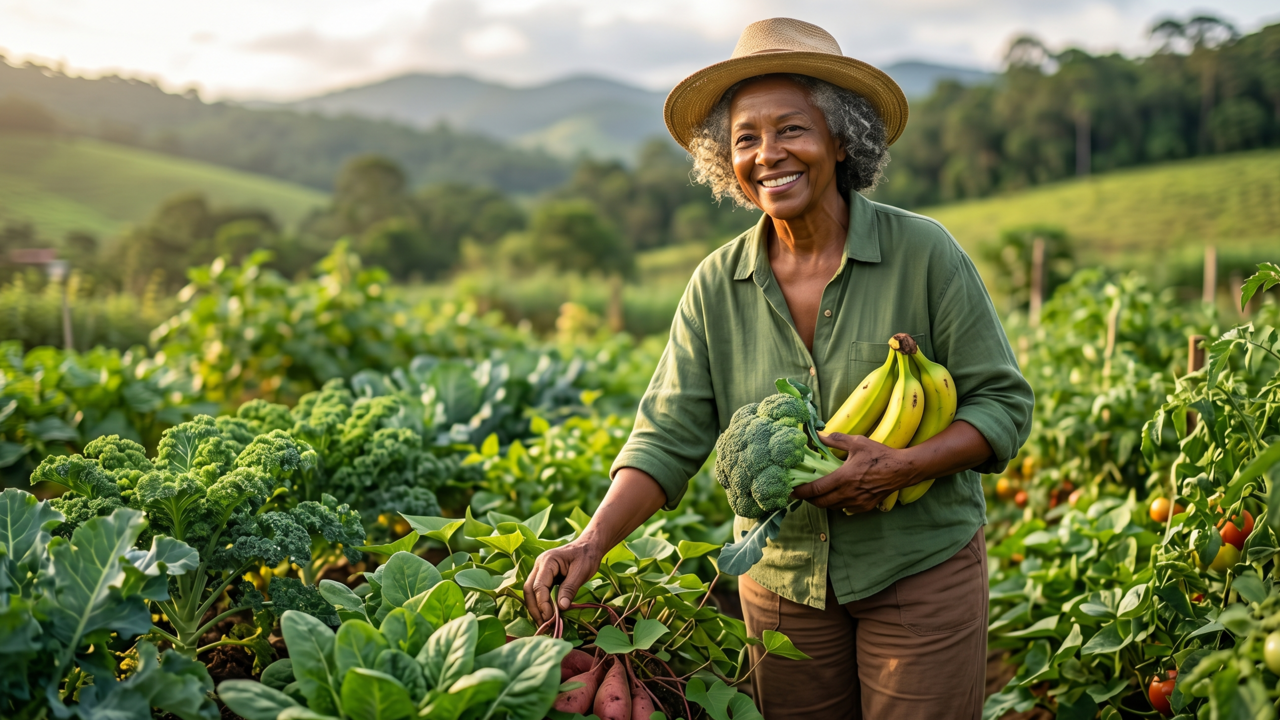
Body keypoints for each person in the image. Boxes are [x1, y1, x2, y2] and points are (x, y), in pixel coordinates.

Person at [523, 17, 1033, 720]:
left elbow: (1001, 406)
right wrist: (590, 541)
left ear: (839, 138)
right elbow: (666, 437)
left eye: (791, 129)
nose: (768, 154)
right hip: (782, 588)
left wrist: (901, 466)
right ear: (724, 162)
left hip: (919, 571)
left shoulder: (925, 254)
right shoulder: (715, 284)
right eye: (746, 139)